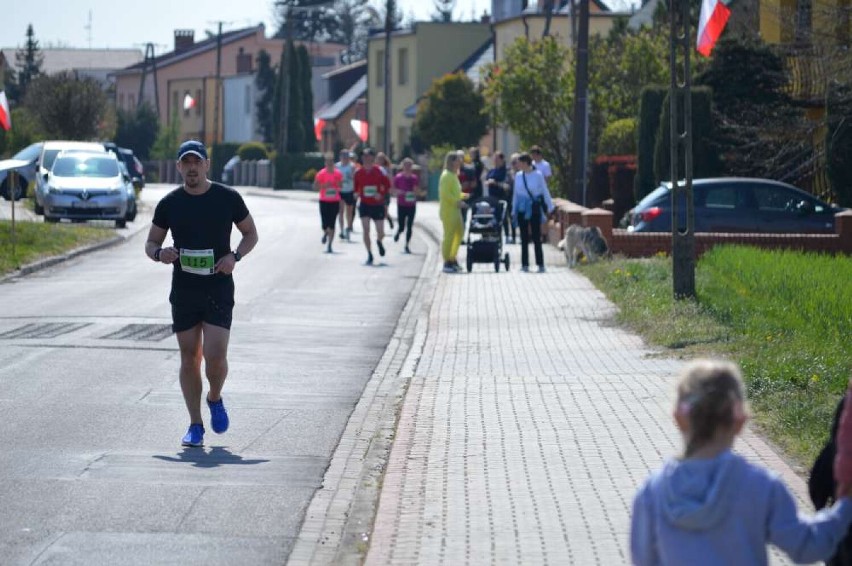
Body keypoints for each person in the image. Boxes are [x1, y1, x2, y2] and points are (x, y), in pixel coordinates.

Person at [631, 359, 852, 566]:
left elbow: (643, 559)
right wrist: (845, 507)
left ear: (678, 418)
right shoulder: (762, 486)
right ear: (740, 419)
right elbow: (807, 548)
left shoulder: (651, 493)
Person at [145, 140, 259, 447]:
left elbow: (251, 234)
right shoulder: (169, 203)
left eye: (197, 162)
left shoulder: (227, 198)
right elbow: (151, 243)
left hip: (218, 286)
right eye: (187, 163)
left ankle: (215, 397)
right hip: (185, 288)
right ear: (179, 166)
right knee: (188, 358)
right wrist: (160, 254)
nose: (192, 168)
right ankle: (195, 424)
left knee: (215, 357)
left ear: (207, 165)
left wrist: (234, 257)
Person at [512, 152, 554, 273]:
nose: (517, 165)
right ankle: (524, 264)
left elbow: (544, 191)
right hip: (522, 208)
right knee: (524, 237)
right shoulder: (519, 176)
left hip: (534, 208)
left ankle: (540, 263)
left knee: (536, 236)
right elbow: (516, 193)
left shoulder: (538, 175)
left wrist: (550, 207)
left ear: (526, 163)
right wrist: (513, 209)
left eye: (519, 162)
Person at [354, 148, 390, 265]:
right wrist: (356, 194)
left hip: (377, 205)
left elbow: (387, 185)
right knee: (366, 230)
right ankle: (369, 254)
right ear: (362, 158)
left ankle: (379, 241)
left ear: (373, 158)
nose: (366, 158)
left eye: (369, 156)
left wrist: (381, 194)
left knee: (381, 232)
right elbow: (356, 188)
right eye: (364, 156)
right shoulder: (358, 173)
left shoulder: (379, 171)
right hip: (364, 204)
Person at [439, 150, 468, 273]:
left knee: (459, 233)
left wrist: (464, 196)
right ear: (452, 161)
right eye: (457, 160)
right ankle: (447, 261)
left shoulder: (454, 175)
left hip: (455, 210)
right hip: (449, 210)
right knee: (449, 235)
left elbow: (454, 193)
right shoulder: (446, 176)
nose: (460, 162)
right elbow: (445, 194)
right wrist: (457, 202)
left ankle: (452, 257)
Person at [315, 153, 342, 253]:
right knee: (325, 224)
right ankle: (326, 233)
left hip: (334, 201)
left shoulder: (337, 174)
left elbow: (341, 185)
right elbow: (315, 187)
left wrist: (335, 184)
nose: (330, 164)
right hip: (324, 201)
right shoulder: (321, 174)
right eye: (328, 162)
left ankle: (330, 244)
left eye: (331, 162)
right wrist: (324, 185)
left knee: (332, 223)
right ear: (325, 163)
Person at [393, 157, 421, 254]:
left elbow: (417, 190)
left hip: (411, 204)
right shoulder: (398, 177)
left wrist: (415, 192)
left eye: (410, 165)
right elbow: (393, 190)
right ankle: (399, 232)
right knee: (402, 226)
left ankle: (407, 245)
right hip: (401, 204)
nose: (408, 167)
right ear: (403, 166)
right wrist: (399, 192)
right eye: (406, 165)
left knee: (410, 225)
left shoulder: (414, 178)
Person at [484, 151, 512, 241]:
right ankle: (494, 234)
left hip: (502, 197)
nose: (495, 160)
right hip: (492, 197)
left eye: (497, 159)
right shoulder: (492, 170)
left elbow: (507, 185)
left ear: (502, 159)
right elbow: (487, 179)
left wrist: (495, 183)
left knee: (503, 217)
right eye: (494, 159)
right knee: (493, 217)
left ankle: (507, 235)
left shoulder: (505, 171)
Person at [336, 149, 356, 240]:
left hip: (349, 190)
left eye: (346, 156)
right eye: (343, 156)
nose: (345, 158)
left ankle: (348, 227)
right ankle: (341, 230)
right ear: (340, 157)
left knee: (349, 211)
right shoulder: (337, 166)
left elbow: (354, 178)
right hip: (340, 191)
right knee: (340, 211)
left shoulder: (352, 166)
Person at [376, 151, 394, 231]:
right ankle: (380, 228)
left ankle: (389, 219)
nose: (380, 160)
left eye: (382, 158)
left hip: (386, 192)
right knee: (379, 210)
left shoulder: (387, 168)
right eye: (379, 158)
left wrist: (390, 189)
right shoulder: (374, 168)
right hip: (378, 192)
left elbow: (390, 179)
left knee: (385, 211)